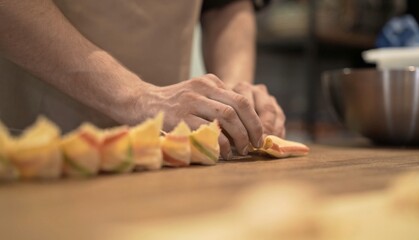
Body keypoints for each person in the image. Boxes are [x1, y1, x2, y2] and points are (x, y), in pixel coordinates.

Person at [0, 0, 285, 160]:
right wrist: (134, 96)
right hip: (34, 152)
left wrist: (230, 102)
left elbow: (225, 5)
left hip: (162, 159)